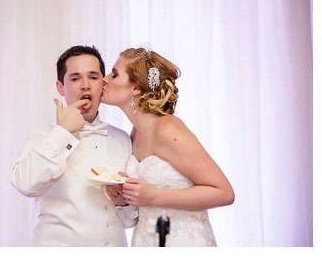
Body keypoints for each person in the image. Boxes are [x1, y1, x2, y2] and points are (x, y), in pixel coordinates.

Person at [100, 47, 235, 246]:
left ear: (136, 88)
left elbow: (224, 192)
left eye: (114, 74)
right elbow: (145, 206)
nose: (104, 79)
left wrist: (153, 196)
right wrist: (125, 200)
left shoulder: (168, 129)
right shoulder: (136, 133)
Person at [10, 45, 136, 246]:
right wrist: (63, 133)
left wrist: (124, 203)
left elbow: (131, 220)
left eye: (93, 77)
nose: (85, 85)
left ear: (103, 85)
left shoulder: (123, 139)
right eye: (75, 78)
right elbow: (25, 184)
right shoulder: (44, 137)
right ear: (61, 87)